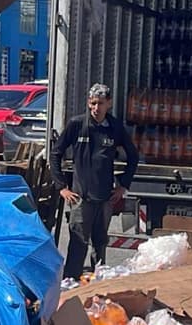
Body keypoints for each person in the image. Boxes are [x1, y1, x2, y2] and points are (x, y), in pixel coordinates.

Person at [51, 83, 141, 280]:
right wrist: (62, 187)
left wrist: (123, 185)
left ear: (109, 103)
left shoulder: (115, 127)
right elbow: (56, 153)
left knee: (100, 242)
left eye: (100, 103)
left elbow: (133, 157)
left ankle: (98, 280)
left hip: (105, 197)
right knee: (78, 242)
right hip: (80, 197)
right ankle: (71, 281)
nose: (96, 108)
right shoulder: (77, 124)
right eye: (92, 103)